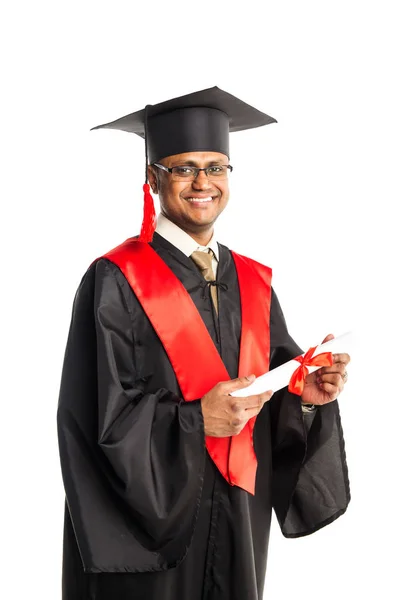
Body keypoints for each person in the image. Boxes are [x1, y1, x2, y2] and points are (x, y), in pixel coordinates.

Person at [57, 86, 351, 600]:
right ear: (153, 178)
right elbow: (95, 420)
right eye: (183, 168)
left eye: (216, 168)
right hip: (149, 539)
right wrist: (195, 421)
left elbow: (271, 390)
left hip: (237, 522)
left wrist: (305, 400)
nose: (202, 183)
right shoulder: (115, 281)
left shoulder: (251, 282)